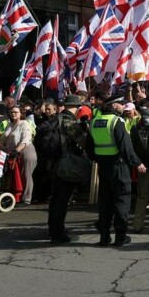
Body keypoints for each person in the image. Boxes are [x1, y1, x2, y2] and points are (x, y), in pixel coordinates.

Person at [87, 93, 145, 247]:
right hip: (118, 166)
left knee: (105, 202)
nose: (123, 106)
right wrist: (136, 163)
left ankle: (104, 237)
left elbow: (89, 147)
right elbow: (126, 146)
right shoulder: (116, 121)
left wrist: (98, 158)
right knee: (122, 201)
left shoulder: (94, 122)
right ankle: (121, 236)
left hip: (103, 167)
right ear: (113, 106)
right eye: (121, 104)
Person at [48, 95, 87, 244]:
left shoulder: (56, 118)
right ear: (76, 107)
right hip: (66, 164)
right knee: (63, 199)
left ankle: (53, 229)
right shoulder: (69, 121)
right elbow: (83, 141)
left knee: (56, 198)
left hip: (53, 163)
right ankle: (58, 233)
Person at [2, 104, 37, 205]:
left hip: (26, 150)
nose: (13, 114)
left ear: (21, 113)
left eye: (16, 112)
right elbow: (3, 139)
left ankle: (26, 199)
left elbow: (26, 139)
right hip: (13, 152)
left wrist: (16, 151)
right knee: (14, 176)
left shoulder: (24, 123)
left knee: (26, 174)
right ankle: (16, 197)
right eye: (12, 112)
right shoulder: (9, 125)